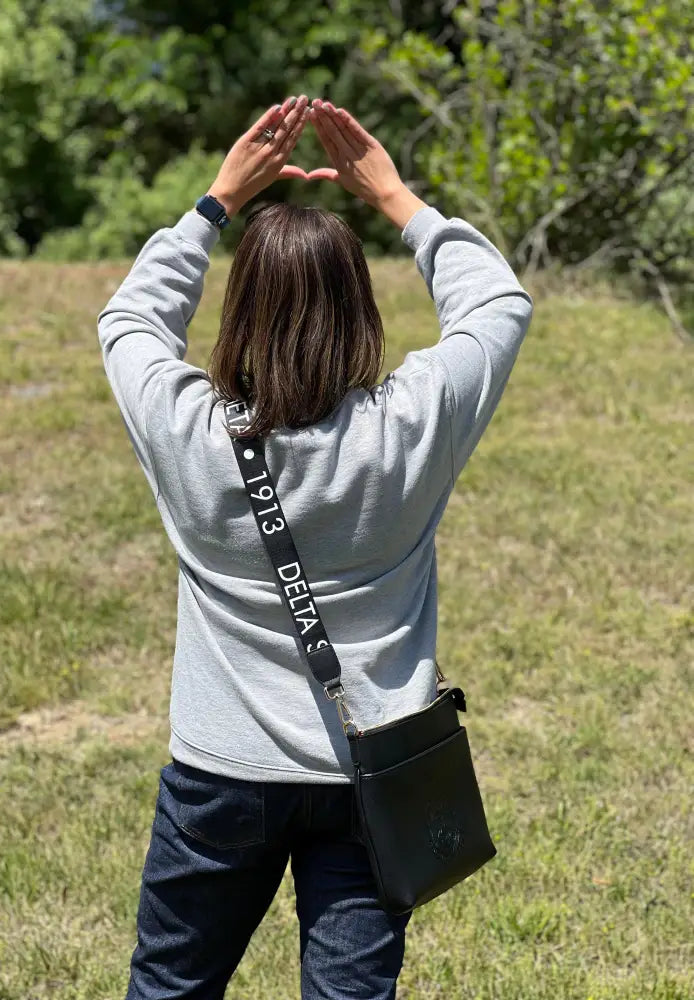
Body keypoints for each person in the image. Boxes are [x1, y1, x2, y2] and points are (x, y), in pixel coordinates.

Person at [98, 93, 533, 1000]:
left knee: (170, 986)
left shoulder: (187, 431)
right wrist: (397, 199)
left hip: (219, 773)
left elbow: (130, 320)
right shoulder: (409, 427)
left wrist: (215, 202)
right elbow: (497, 302)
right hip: (372, 773)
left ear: (241, 313)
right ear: (358, 310)